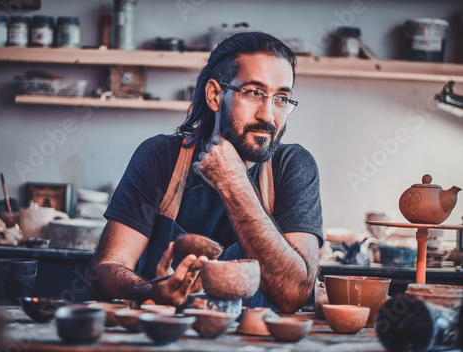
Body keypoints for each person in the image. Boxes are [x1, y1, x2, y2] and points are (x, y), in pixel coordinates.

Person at [90, 31, 323, 313]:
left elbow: (294, 293)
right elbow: (108, 267)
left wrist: (234, 182)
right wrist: (153, 291)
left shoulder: (293, 167)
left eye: (281, 98)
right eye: (253, 93)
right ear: (215, 95)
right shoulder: (160, 157)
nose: (269, 116)